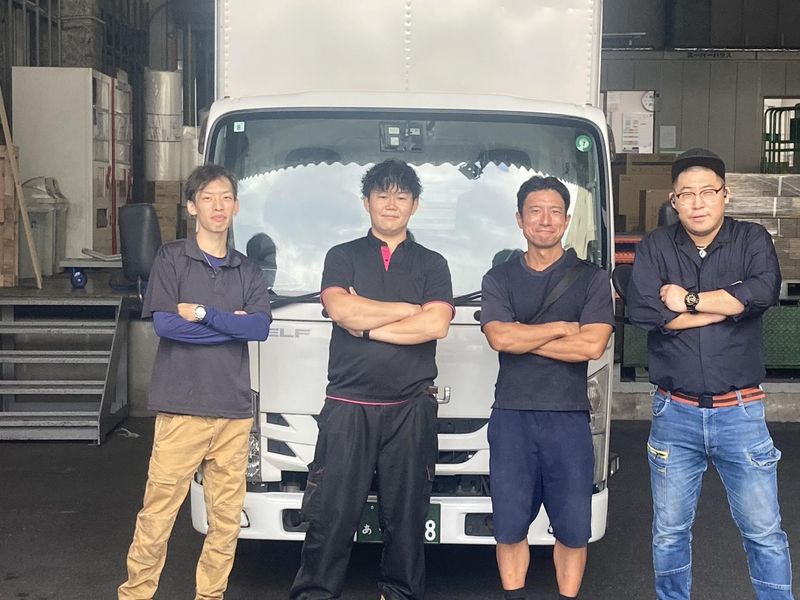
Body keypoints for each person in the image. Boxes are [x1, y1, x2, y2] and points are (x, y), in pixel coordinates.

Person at [626, 148, 793, 600]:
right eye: (687, 194)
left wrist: (689, 301)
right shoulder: (657, 245)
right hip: (674, 413)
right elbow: (645, 311)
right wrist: (727, 306)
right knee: (669, 532)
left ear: (725, 194)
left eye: (707, 192)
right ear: (673, 200)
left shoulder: (751, 239)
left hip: (740, 411)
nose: (697, 203)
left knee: (764, 531)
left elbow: (762, 291)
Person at [289, 159, 454, 600]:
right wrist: (407, 310)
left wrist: (365, 327)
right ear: (367, 202)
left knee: (407, 516)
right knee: (331, 514)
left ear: (415, 205)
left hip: (411, 407)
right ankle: (315, 594)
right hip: (348, 406)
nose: (391, 204)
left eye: (401, 196)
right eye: (382, 194)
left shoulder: (432, 263)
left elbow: (436, 324)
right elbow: (340, 308)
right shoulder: (342, 256)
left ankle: (398, 593)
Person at [118, 164, 271, 600]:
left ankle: (211, 595)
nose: (218, 206)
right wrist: (232, 326)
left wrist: (203, 314)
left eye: (226, 197)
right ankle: (135, 594)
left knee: (226, 521)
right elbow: (166, 325)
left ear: (236, 206)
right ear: (191, 207)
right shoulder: (171, 258)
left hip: (233, 412)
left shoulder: (247, 268)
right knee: (157, 514)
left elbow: (259, 328)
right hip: (181, 410)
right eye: (207, 198)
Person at [480, 176, 614, 600]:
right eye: (535, 211)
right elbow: (499, 338)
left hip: (568, 417)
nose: (545, 220)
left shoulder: (592, 279)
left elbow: (591, 345)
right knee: (509, 526)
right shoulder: (499, 277)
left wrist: (523, 336)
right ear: (519, 219)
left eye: (555, 211)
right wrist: (559, 328)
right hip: (511, 416)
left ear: (567, 220)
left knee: (574, 530)